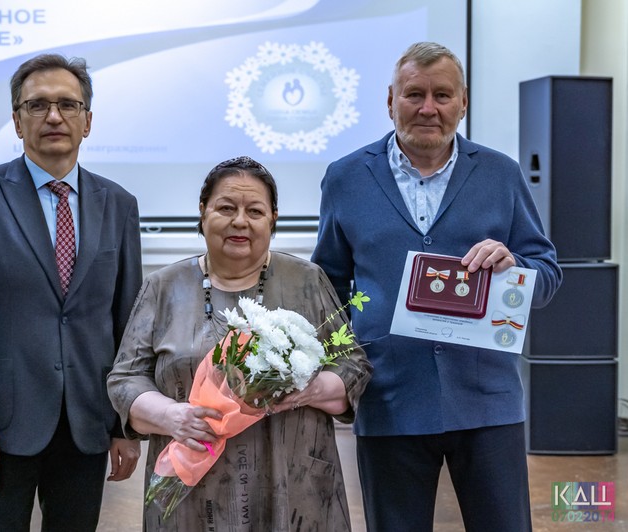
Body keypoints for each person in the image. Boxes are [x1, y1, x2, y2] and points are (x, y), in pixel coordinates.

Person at [313, 41, 563, 531]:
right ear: (391, 100)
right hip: (388, 398)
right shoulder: (345, 178)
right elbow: (328, 289)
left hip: (487, 400)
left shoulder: (501, 174)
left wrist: (514, 266)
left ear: (462, 102)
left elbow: (548, 273)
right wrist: (345, 372)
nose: (429, 108)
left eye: (443, 95)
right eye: (415, 94)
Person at [107, 156, 372, 531]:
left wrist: (308, 388)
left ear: (273, 219)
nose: (240, 222)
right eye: (226, 208)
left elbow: (353, 366)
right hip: (191, 489)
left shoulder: (307, 280)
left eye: (255, 211)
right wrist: (171, 416)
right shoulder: (163, 286)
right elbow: (126, 379)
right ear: (203, 211)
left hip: (295, 483)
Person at [0, 53, 143, 531]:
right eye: (37, 105)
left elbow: (128, 327)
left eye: (68, 105)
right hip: (5, 424)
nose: (54, 116)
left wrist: (125, 426)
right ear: (16, 120)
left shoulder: (119, 204)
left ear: (87, 121)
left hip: (88, 420)